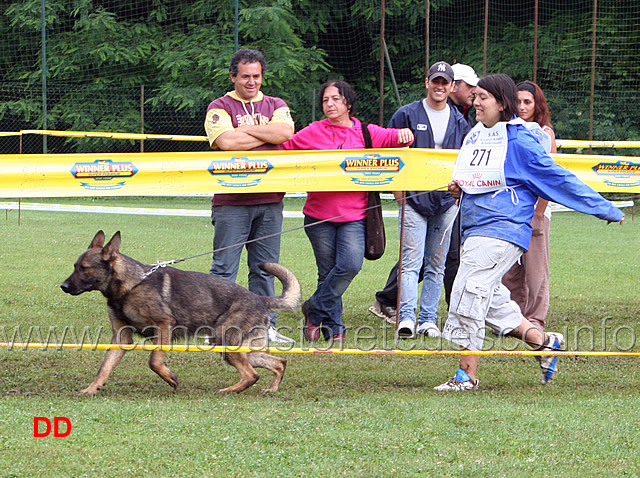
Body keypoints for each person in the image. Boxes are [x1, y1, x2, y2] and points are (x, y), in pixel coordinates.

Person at [435, 74, 624, 391]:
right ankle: (546, 342)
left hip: (502, 230)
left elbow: (559, 179)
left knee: (470, 292)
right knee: (493, 303)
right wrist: (461, 189)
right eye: (476, 96)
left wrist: (604, 208)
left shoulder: (521, 142)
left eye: (483, 97)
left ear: (501, 103)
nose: (476, 101)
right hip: (473, 228)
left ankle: (465, 375)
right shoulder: (479, 136)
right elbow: (481, 179)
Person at [282, 80, 414, 343]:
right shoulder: (312, 131)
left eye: (336, 99)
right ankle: (335, 329)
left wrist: (406, 134)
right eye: (325, 100)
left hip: (355, 216)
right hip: (318, 215)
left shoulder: (365, 132)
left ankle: (313, 309)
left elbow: (396, 138)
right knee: (327, 270)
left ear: (348, 104)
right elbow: (283, 152)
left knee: (350, 265)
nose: (329, 104)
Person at [369, 61, 470, 339]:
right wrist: (400, 196)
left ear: (451, 87)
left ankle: (428, 319)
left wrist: (458, 193)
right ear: (427, 82)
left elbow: (466, 161)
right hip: (413, 201)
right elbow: (391, 155)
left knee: (436, 264)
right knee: (410, 262)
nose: (439, 87)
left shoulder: (461, 121)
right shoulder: (406, 114)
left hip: (446, 202)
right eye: (435, 81)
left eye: (444, 83)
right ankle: (406, 318)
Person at [203, 49, 295, 345]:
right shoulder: (219, 106)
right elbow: (227, 142)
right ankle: (216, 329)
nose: (252, 82)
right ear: (233, 77)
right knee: (223, 270)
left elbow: (285, 132)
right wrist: (265, 133)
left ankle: (264, 328)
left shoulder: (276, 104)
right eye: (245, 77)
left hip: (270, 200)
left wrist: (247, 131)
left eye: (256, 76)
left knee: (265, 269)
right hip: (231, 202)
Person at [501, 80, 557, 331]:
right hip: (512, 211)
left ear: (537, 105)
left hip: (535, 212)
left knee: (536, 271)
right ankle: (514, 319)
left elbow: (551, 177)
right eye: (519, 102)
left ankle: (535, 320)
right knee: (510, 270)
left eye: (528, 102)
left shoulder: (544, 134)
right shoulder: (507, 130)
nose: (522, 107)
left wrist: (539, 213)